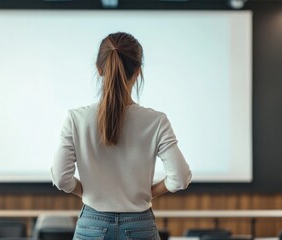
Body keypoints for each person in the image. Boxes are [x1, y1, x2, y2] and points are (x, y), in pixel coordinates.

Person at [51, 32, 192, 240]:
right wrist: (150, 192)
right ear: (137, 71)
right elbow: (180, 178)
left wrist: (84, 191)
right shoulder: (157, 121)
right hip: (139, 226)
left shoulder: (76, 119)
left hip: (92, 224)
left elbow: (61, 179)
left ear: (99, 69)